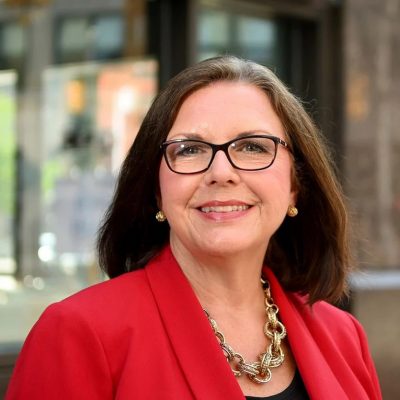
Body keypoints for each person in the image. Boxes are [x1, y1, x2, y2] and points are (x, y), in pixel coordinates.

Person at [6, 56, 381, 400]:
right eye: (189, 150)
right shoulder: (79, 333)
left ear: (295, 185)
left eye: (252, 146)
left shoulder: (343, 336)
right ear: (156, 190)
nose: (221, 173)